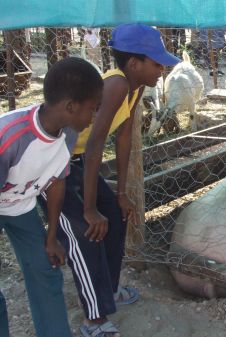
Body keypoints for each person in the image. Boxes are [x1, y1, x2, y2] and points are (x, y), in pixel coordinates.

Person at [39, 23, 180, 337]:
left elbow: (125, 139)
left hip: (77, 163)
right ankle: (94, 321)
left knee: (116, 217)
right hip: (53, 166)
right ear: (134, 63)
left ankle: (109, 290)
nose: (162, 68)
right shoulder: (116, 84)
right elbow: (93, 148)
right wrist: (90, 208)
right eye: (156, 63)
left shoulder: (135, 87)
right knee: (87, 231)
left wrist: (120, 194)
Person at [0, 57, 104, 337]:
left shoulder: (68, 133)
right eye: (92, 109)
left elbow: (55, 180)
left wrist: (51, 236)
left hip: (18, 205)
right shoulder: (10, 138)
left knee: (46, 270)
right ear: (71, 107)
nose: (94, 118)